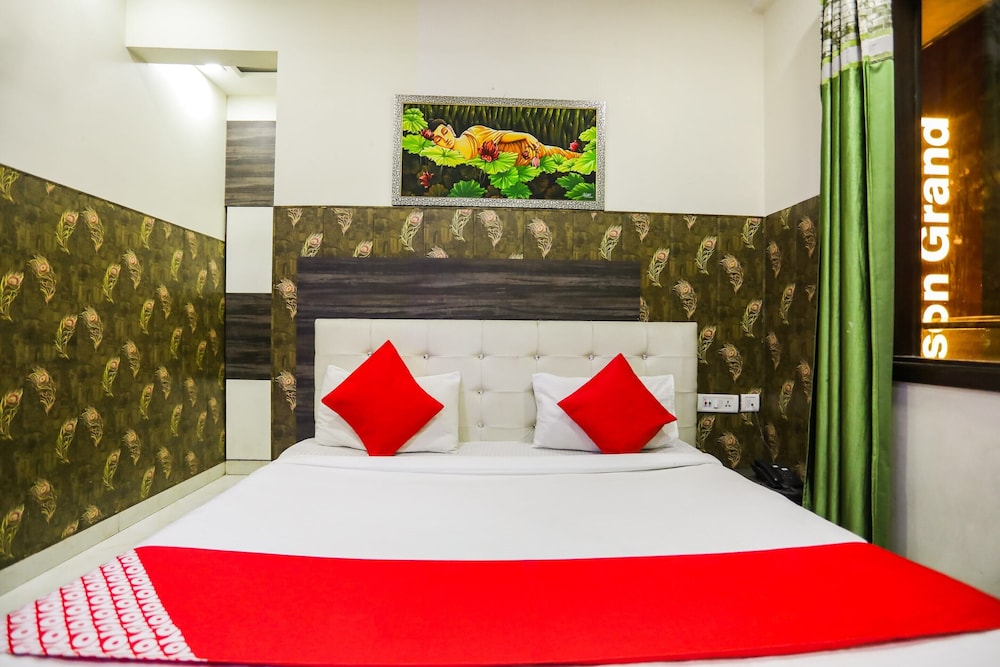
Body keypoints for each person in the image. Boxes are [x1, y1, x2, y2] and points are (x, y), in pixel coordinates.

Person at [421, 119, 580, 167]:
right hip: (513, 166)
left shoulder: (474, 132)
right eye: (438, 139)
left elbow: (502, 135)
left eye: (444, 132)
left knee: (559, 154)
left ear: (450, 129)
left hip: (521, 149)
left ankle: (582, 157)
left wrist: (525, 136)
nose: (444, 139)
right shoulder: (448, 161)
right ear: (435, 144)